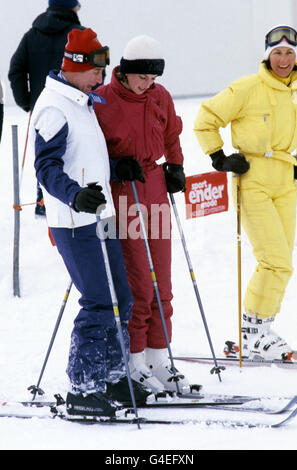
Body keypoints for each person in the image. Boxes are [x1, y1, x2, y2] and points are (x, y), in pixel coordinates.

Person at [31, 28, 151, 418]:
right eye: (96, 70)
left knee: (122, 298)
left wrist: (117, 167)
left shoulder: (82, 102)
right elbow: (46, 167)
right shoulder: (54, 107)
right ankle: (83, 386)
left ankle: (113, 376)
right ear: (76, 67)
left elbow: (84, 157)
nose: (102, 77)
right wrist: (74, 194)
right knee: (99, 302)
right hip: (74, 222)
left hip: (100, 216)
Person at [194, 25, 297, 361]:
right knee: (275, 260)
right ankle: (254, 333)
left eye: (289, 53)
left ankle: (260, 330)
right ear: (267, 55)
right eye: (277, 53)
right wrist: (220, 157)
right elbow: (206, 117)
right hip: (252, 179)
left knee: (282, 265)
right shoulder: (248, 87)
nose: (283, 59)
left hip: (285, 179)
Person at [94, 35, 191, 394]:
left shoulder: (160, 96)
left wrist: (176, 166)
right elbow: (92, 150)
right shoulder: (103, 99)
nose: (148, 85)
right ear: (127, 70)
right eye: (142, 78)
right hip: (127, 194)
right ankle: (134, 360)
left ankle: (159, 356)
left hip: (155, 190)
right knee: (139, 285)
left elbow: (172, 135)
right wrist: (116, 166)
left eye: (153, 79)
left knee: (162, 283)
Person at [8, 0, 83, 217]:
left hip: (41, 109)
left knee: (46, 153)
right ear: (71, 7)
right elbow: (96, 71)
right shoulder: (78, 35)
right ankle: (72, 200)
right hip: (73, 107)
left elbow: (16, 70)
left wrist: (27, 101)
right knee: (74, 153)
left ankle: (44, 201)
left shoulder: (32, 35)